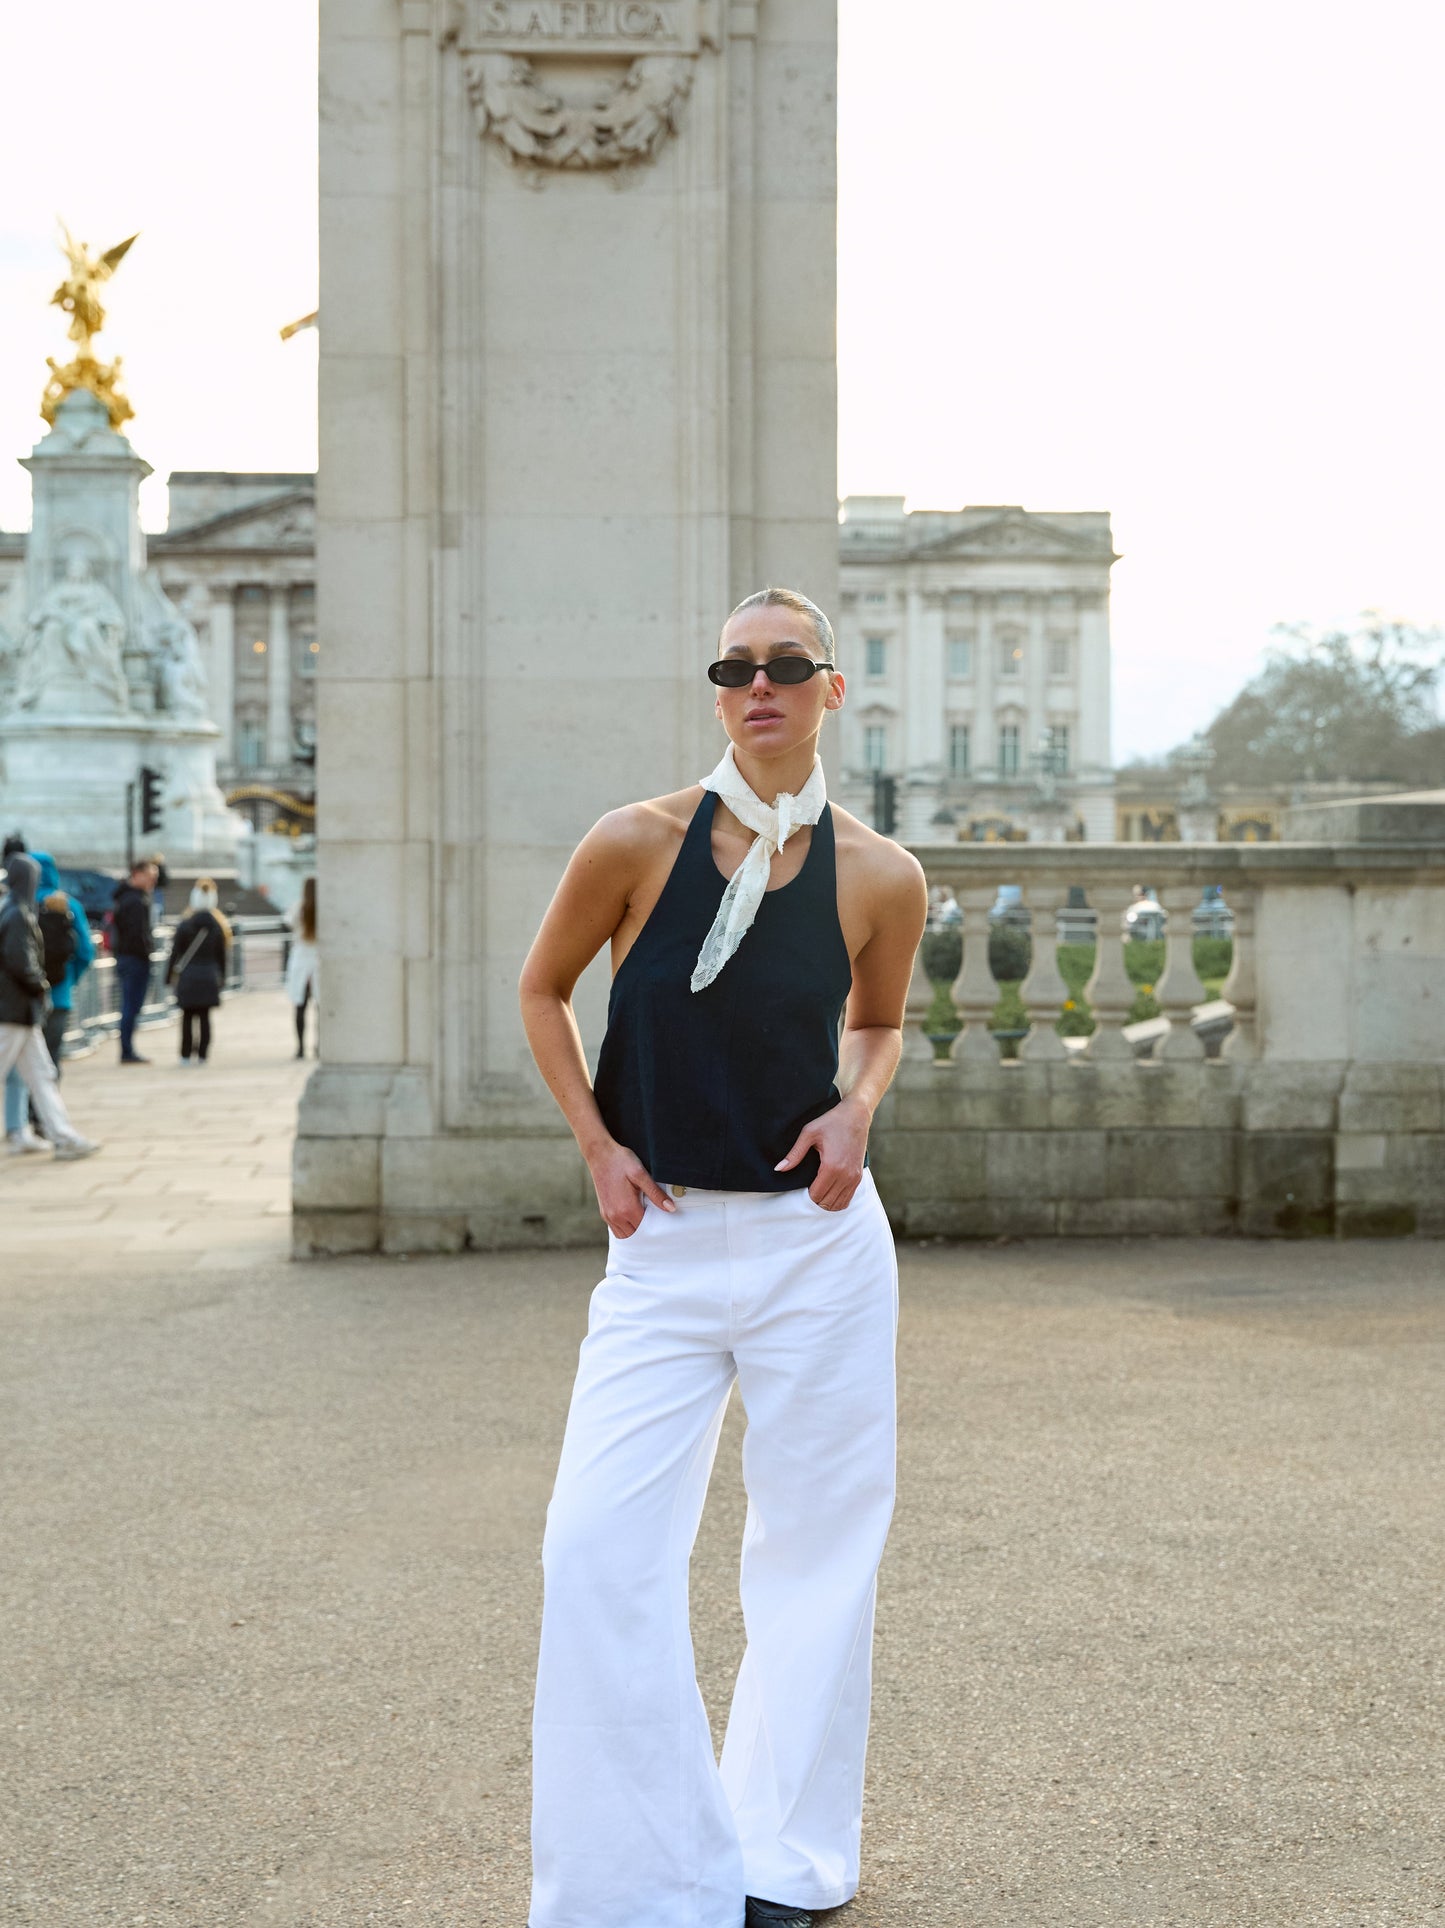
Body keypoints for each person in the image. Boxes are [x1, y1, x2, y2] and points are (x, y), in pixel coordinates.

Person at [519, 588, 928, 1928]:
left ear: (830, 690)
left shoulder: (880, 875)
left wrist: (856, 1110)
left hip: (819, 1248)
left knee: (815, 1553)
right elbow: (544, 989)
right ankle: (642, 1879)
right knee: (593, 1553)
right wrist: (598, 1146)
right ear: (716, 693)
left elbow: (877, 1025)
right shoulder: (633, 842)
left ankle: (786, 1862)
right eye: (735, 668)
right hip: (666, 1247)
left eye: (786, 667)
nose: (759, 687)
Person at [0, 853, 99, 1160]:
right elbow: (20, 961)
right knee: (39, 1074)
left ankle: (63, 1135)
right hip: (14, 1010)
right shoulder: (18, 914)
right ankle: (62, 1135)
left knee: (42, 1074)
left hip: (19, 1011)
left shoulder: (10, 910)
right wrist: (40, 985)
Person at [33, 850, 95, 1077]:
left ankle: (27, 1107)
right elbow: (86, 951)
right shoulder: (68, 904)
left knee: (24, 1062)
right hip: (59, 993)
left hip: (24, 996)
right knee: (52, 1055)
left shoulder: (17, 903)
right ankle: (47, 1109)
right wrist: (70, 978)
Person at [166, 878, 231, 1065]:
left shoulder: (185, 925)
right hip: (209, 975)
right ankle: (202, 1054)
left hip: (188, 976)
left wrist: (169, 976)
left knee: (187, 1017)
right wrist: (223, 978)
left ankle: (185, 1054)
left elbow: (175, 953)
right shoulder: (218, 927)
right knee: (204, 1017)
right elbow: (222, 957)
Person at [111, 860, 157, 1064]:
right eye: (149, 876)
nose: (152, 881)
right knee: (131, 1005)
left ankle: (127, 1048)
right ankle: (127, 1050)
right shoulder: (135, 901)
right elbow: (136, 934)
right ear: (137, 874)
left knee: (130, 1005)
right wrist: (146, 951)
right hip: (134, 959)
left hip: (127, 957)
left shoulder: (127, 898)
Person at [284, 877, 317, 1058]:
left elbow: (288, 922)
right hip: (318, 961)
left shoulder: (298, 908)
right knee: (320, 1007)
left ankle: (301, 1048)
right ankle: (320, 1045)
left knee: (300, 1006)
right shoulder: (323, 909)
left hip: (301, 959)